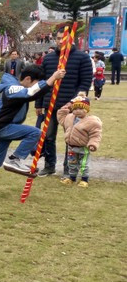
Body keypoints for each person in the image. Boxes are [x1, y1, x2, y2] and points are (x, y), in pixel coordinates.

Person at [0, 64, 65, 196]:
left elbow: (34, 94)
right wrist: (53, 77)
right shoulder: (12, 88)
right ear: (28, 79)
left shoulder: (19, 88)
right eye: (35, 83)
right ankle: (14, 159)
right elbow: (31, 92)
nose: (35, 86)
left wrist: (51, 83)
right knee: (35, 132)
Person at [34, 28, 92, 178]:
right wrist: (39, 103)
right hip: (50, 104)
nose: (60, 41)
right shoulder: (48, 59)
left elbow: (85, 82)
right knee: (48, 136)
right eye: (58, 38)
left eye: (63, 38)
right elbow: (43, 83)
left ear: (71, 39)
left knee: (71, 138)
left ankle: (69, 169)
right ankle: (49, 165)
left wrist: (76, 101)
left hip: (71, 107)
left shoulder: (82, 58)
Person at [57, 96, 102, 188]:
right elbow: (61, 118)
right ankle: (72, 178)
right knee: (72, 163)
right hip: (71, 147)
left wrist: (93, 144)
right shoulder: (69, 118)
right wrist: (65, 109)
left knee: (84, 164)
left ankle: (84, 179)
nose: (77, 111)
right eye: (75, 108)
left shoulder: (92, 122)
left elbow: (95, 135)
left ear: (87, 110)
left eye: (80, 108)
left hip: (83, 148)